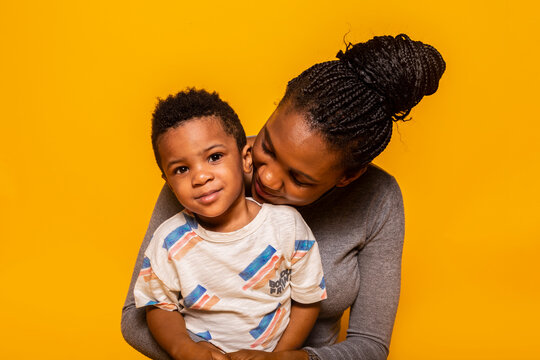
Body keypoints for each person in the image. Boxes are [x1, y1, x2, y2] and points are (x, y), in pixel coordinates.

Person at [122, 34, 446, 360]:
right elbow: (137, 314)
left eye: (298, 178)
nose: (266, 176)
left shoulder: (379, 200)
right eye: (267, 146)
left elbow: (371, 345)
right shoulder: (206, 173)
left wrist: (289, 358)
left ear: (347, 176)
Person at [134, 89, 327, 360]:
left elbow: (308, 300)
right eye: (181, 169)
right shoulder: (169, 240)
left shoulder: (287, 226)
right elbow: (159, 305)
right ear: (167, 181)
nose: (200, 177)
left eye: (214, 157)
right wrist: (184, 349)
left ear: (246, 158)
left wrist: (277, 357)